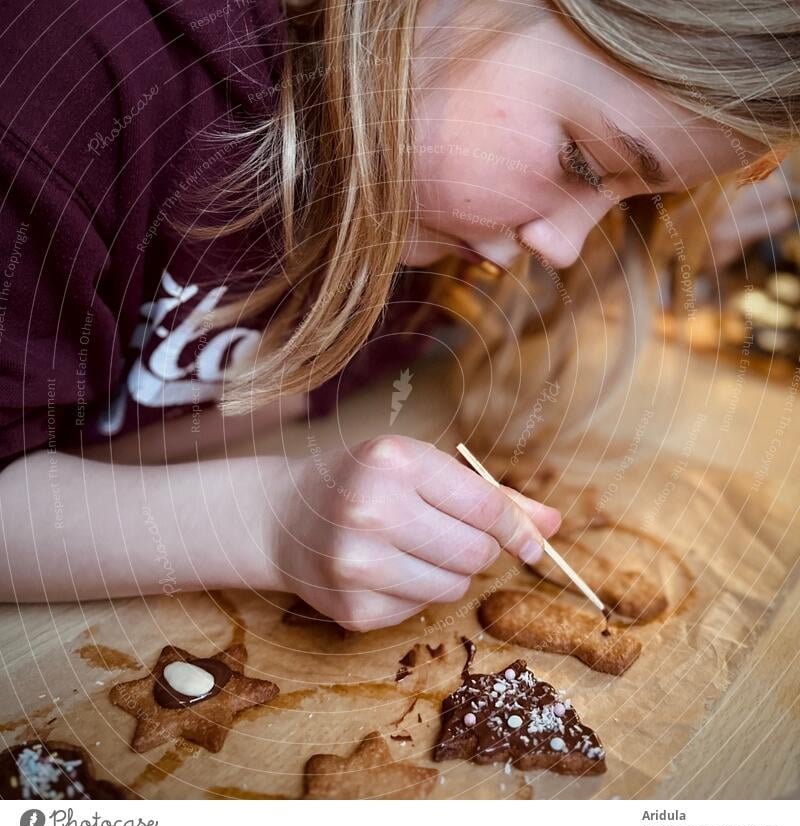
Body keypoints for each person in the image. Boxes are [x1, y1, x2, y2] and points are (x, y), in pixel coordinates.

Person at [0, 0, 796, 629]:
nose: (559, 245)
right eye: (581, 161)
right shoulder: (74, 65)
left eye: (634, 198)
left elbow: (181, 418)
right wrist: (268, 521)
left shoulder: (416, 193)